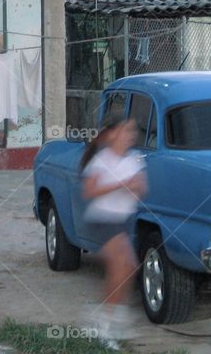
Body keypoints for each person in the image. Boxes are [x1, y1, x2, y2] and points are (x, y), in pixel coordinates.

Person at [80, 113, 146, 347]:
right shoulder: (101, 161)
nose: (131, 136)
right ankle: (106, 327)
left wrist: (136, 187)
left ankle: (106, 318)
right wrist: (120, 185)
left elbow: (141, 189)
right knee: (123, 266)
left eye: (133, 132)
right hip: (103, 219)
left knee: (128, 269)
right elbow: (89, 192)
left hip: (123, 220)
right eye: (126, 131)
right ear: (112, 133)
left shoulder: (134, 159)